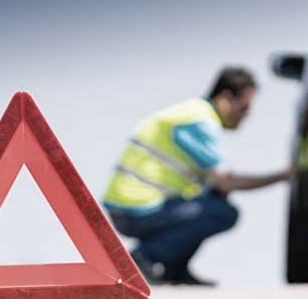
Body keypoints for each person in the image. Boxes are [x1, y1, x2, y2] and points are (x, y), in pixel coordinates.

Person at [102, 67, 292, 286]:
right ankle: (145, 257)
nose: (247, 115)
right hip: (136, 210)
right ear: (226, 98)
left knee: (215, 199)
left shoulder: (192, 112)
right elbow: (226, 181)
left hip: (131, 206)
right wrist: (285, 175)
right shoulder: (199, 122)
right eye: (245, 106)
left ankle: (174, 268)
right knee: (222, 212)